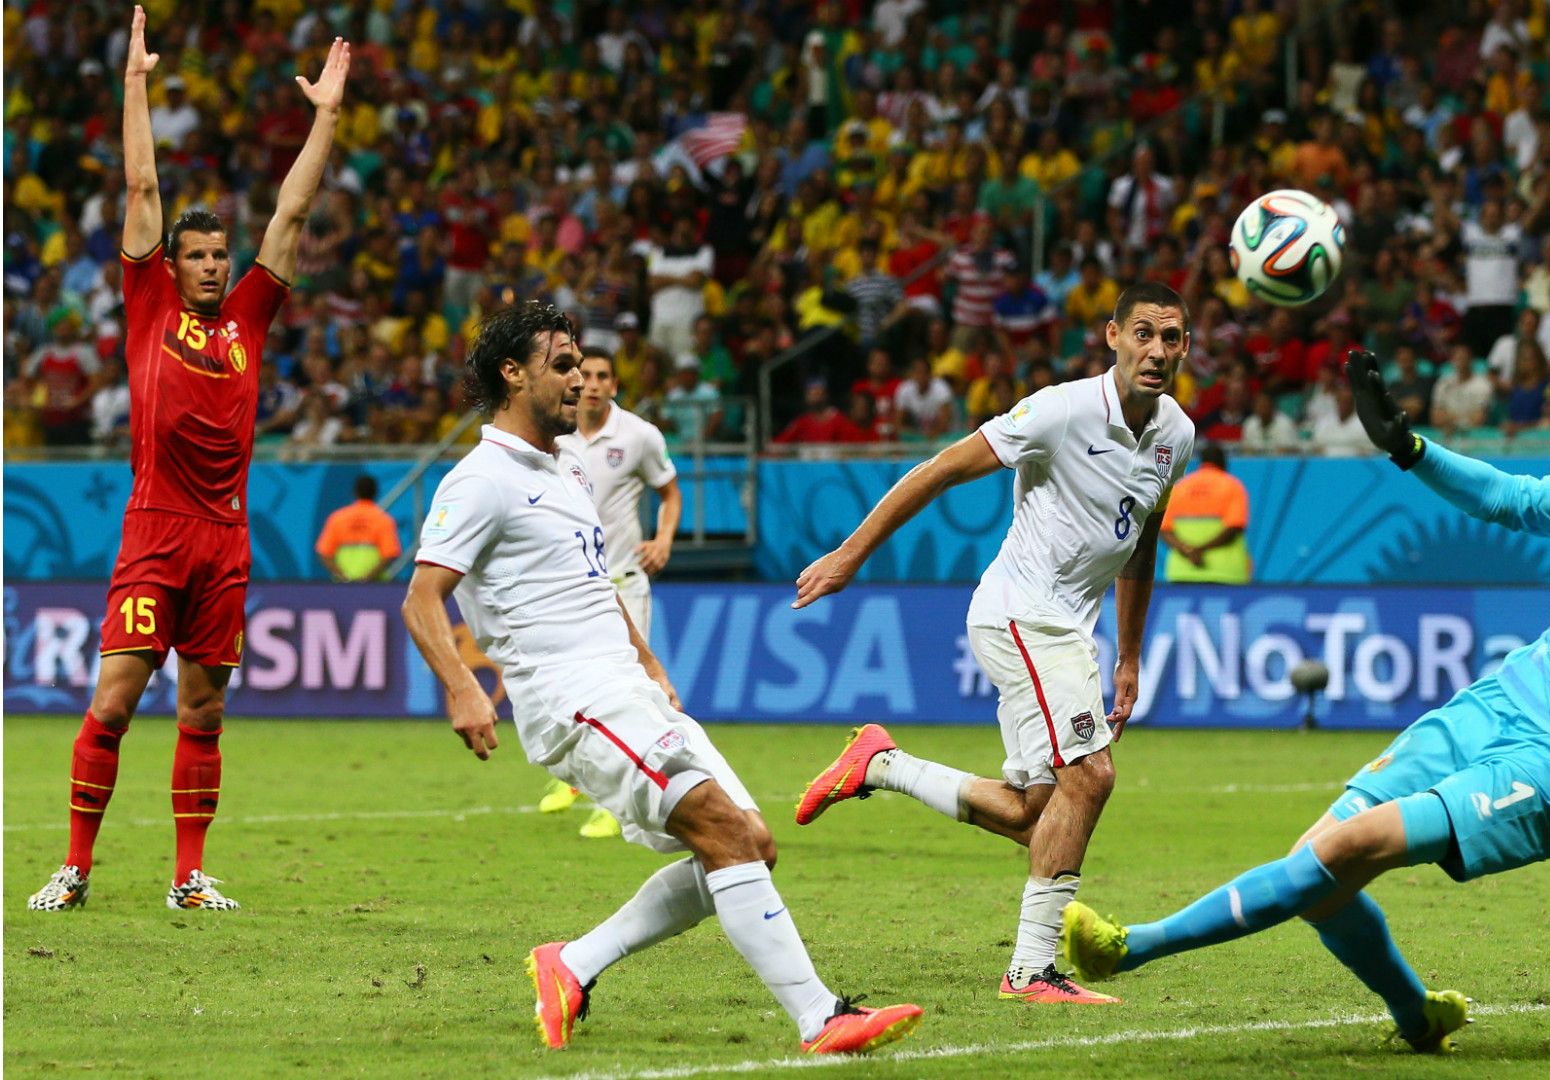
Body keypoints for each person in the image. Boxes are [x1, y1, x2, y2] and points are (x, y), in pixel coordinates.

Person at [1062, 349, 1550, 1055]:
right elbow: (1511, 497)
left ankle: (1128, 950)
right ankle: (1416, 1015)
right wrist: (1409, 447)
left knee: (1342, 853)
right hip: (1492, 704)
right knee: (1316, 878)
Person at [402, 301, 922, 1054]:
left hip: (624, 683)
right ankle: (821, 1016)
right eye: (561, 364)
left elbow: (591, 583)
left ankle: (572, 963)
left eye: (581, 363)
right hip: (572, 696)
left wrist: (650, 664)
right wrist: (461, 685)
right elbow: (422, 596)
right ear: (511, 375)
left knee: (750, 841)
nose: (579, 378)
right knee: (720, 831)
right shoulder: (480, 480)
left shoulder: (568, 463)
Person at [789, 282, 1196, 1004]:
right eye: (1143, 333)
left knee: (1038, 813)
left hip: (1071, 628)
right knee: (1091, 776)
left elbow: (1143, 540)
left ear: (1186, 347)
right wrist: (852, 553)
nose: (1156, 351)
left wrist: (1130, 653)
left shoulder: (1177, 435)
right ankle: (1032, 971)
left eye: (1171, 338)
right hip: (1022, 613)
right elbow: (939, 470)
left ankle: (880, 765)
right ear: (1112, 336)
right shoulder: (1061, 410)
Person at [27, 13, 351, 914]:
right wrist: (134, 82)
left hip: (226, 540)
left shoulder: (249, 315)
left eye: (218, 255)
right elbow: (140, 180)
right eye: (197, 256)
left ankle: (186, 878)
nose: (212, 266)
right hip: (157, 530)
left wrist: (324, 115)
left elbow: (292, 211)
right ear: (168, 264)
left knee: (204, 712)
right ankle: (77, 867)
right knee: (118, 701)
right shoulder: (147, 304)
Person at [538, 345, 684, 839]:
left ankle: (622, 802)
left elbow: (670, 490)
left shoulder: (640, 436)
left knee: (629, 689)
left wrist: (662, 539)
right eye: (586, 374)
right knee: (569, 687)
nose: (593, 383)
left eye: (603, 375)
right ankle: (578, 783)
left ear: (615, 385)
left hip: (624, 582)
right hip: (573, 586)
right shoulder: (556, 436)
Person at [1160, 442, 1251, 584]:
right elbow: (1234, 527)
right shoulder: (1232, 486)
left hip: (1183, 571)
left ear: (1201, 462)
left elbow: (1164, 529)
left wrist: (1189, 551)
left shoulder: (1180, 487)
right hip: (1224, 572)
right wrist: (1200, 550)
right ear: (1223, 462)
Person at [315, 475, 402, 582]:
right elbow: (390, 554)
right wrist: (367, 579)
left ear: (355, 492)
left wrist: (343, 577)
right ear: (376, 493)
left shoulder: (337, 518)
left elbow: (324, 553)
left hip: (342, 587)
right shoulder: (383, 520)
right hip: (376, 586)